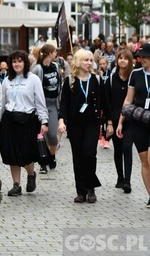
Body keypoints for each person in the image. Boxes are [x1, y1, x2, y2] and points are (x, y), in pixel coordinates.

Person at [58, 49, 113, 204]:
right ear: (78, 62)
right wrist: (62, 121)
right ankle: (80, 191)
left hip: (92, 123)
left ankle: (91, 187)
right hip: (75, 124)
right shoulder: (70, 80)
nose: (89, 63)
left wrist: (109, 122)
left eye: (90, 60)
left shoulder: (96, 79)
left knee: (89, 154)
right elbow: (63, 105)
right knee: (78, 157)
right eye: (86, 60)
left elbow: (106, 104)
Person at [0, 50, 48, 197]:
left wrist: (44, 121)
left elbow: (40, 101)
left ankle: (31, 174)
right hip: (10, 119)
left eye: (20, 61)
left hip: (28, 120)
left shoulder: (33, 80)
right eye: (14, 61)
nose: (17, 64)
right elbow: (2, 102)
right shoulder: (7, 81)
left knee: (26, 153)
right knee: (12, 153)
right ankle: (16, 185)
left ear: (25, 63)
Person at [117, 43, 150, 208]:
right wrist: (120, 121)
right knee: (144, 161)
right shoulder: (136, 74)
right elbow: (128, 100)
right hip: (139, 121)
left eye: (145, 56)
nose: (141, 59)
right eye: (141, 56)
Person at [106, 49, 134, 193]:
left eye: (125, 58)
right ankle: (120, 177)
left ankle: (128, 180)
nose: (122, 60)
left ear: (130, 61)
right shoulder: (111, 78)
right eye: (120, 58)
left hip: (130, 119)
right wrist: (109, 122)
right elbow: (107, 101)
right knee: (118, 149)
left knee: (127, 148)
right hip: (115, 118)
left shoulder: (133, 78)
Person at [32, 44, 61, 174]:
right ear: (49, 53)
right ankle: (43, 163)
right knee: (40, 136)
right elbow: (32, 85)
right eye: (55, 52)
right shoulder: (37, 68)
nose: (56, 54)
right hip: (40, 105)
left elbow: (60, 83)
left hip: (53, 104)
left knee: (52, 135)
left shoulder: (56, 66)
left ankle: (52, 155)